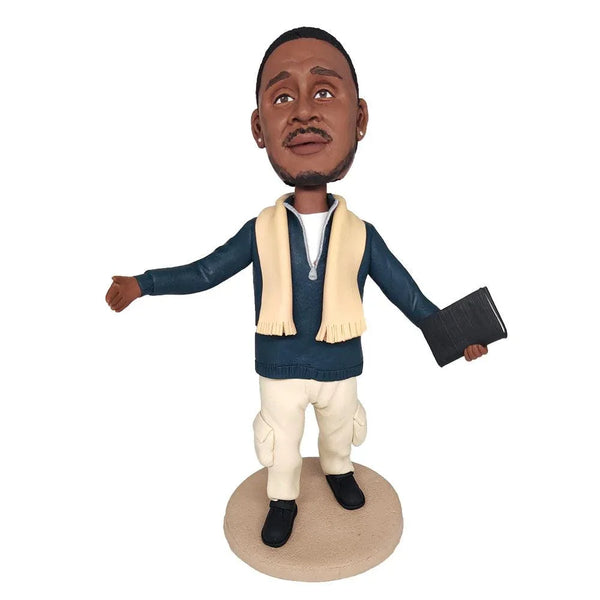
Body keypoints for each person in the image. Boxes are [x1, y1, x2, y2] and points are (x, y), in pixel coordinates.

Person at [105, 27, 488, 549]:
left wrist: (458, 336)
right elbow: (205, 272)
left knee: (339, 431)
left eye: (324, 92)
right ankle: (282, 499)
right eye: (284, 98)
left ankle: (338, 470)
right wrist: (144, 284)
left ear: (359, 119)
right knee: (281, 444)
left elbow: (411, 298)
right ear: (259, 127)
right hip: (279, 365)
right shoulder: (260, 230)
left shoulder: (363, 236)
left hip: (340, 363)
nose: (304, 112)